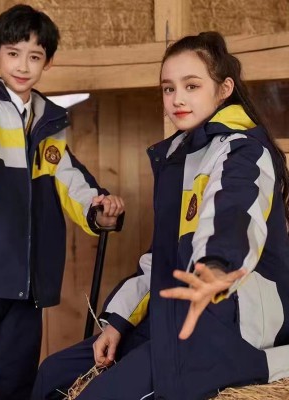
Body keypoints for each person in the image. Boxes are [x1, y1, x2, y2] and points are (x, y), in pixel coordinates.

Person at [31, 31, 289, 400]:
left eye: (191, 86)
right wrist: (117, 323)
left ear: (224, 89)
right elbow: (162, 258)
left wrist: (216, 268)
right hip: (173, 315)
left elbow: (232, 215)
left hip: (228, 323)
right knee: (52, 373)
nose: (177, 98)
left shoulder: (243, 153)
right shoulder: (179, 158)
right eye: (169, 88)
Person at [0, 4, 125, 400]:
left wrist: (98, 211)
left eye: (35, 56)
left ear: (48, 62)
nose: (23, 65)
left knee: (14, 387)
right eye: (13, 53)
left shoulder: (50, 121)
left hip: (27, 284)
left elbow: (69, 178)